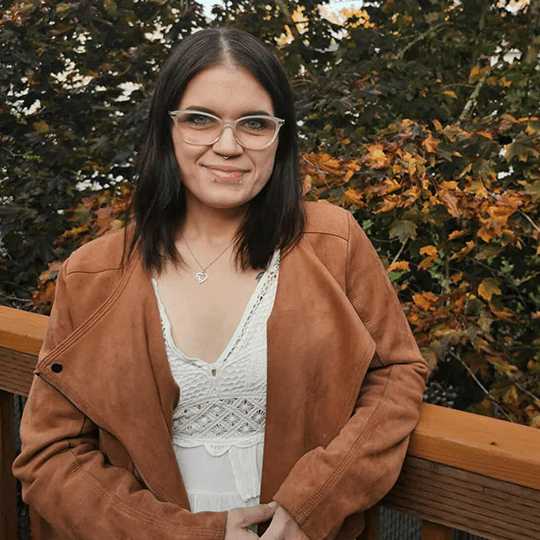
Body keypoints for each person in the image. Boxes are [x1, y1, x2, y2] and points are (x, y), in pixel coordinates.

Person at [13, 27, 428, 540]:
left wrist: (314, 503)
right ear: (166, 129)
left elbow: (396, 373)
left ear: (280, 136)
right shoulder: (92, 275)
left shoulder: (333, 242)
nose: (227, 146)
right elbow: (51, 454)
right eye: (200, 119)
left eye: (254, 123)